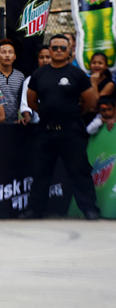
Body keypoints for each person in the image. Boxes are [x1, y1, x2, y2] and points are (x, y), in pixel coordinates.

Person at [24, 34, 100, 220]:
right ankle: (35, 210)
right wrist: (48, 113)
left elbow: (90, 101)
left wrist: (71, 114)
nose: (58, 51)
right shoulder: (39, 74)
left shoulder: (77, 74)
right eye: (55, 47)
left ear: (69, 51)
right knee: (40, 172)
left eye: (62, 48)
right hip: (45, 130)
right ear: (49, 50)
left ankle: (89, 209)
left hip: (71, 130)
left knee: (79, 171)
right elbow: (31, 100)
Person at [0, 39, 26, 123]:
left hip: (14, 123)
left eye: (10, 52)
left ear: (15, 56)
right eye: (3, 52)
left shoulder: (20, 76)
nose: (7, 55)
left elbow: (23, 101)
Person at [19, 44, 51, 124]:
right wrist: (27, 116)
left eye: (48, 57)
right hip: (37, 124)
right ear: (37, 60)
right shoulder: (31, 80)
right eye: (41, 57)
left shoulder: (60, 77)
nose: (44, 60)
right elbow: (25, 103)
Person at [84, 51, 115, 125]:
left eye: (100, 63)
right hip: (85, 118)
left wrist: (94, 83)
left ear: (106, 66)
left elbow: (96, 104)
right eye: (94, 63)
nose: (96, 65)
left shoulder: (109, 84)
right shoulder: (85, 80)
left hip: (100, 120)